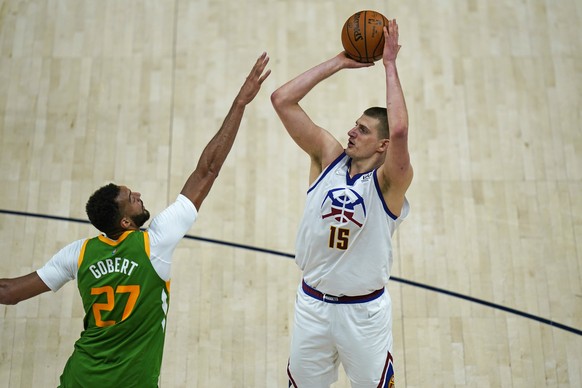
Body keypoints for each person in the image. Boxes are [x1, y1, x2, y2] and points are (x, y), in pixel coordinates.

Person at [0, 52, 270, 387]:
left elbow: (9, 292)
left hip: (80, 379)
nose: (138, 195)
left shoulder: (78, 254)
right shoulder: (154, 243)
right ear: (126, 223)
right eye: (131, 199)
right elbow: (207, 170)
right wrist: (240, 103)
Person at [271, 20, 412, 388]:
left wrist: (390, 65)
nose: (352, 131)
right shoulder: (326, 157)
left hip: (362, 314)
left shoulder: (389, 184)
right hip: (312, 306)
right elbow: (282, 100)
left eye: (363, 130)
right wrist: (339, 61)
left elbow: (398, 130)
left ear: (382, 146)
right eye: (354, 124)